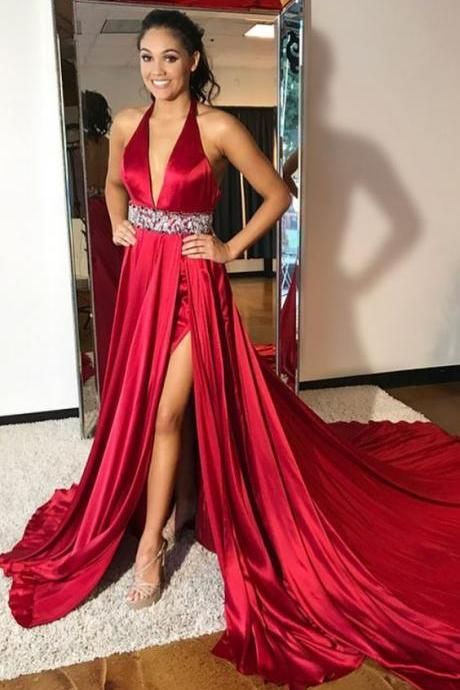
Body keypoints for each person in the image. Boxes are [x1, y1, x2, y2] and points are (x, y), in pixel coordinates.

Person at [1, 9, 460, 690]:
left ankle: (153, 543)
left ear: (193, 61)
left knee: (165, 414)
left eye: (169, 58)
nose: (156, 71)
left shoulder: (217, 128)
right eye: (146, 58)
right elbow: (113, 184)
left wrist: (228, 248)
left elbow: (278, 193)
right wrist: (120, 220)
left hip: (193, 287)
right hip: (143, 283)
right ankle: (186, 502)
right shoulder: (125, 123)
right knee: (154, 409)